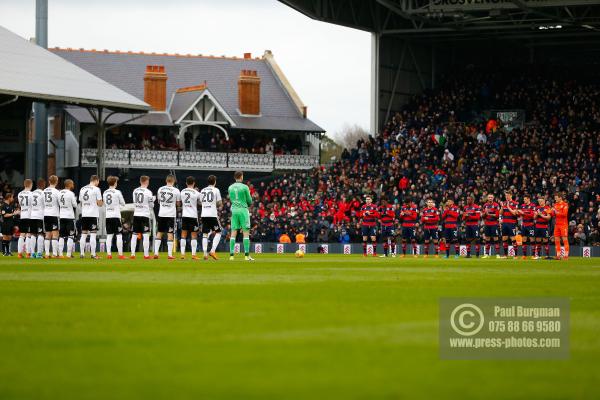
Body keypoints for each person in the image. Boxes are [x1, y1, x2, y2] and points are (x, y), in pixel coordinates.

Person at [228, 171, 254, 261]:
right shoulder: (245, 187)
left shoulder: (230, 187)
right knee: (246, 233)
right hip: (243, 210)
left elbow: (231, 199)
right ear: (241, 177)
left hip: (234, 211)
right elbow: (249, 201)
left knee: (233, 232)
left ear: (235, 177)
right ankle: (246, 256)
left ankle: (231, 256)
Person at [155, 175, 181, 260]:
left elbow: (159, 201)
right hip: (171, 215)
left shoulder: (160, 189)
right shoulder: (176, 190)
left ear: (166, 180)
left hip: (161, 213)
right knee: (170, 233)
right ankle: (169, 255)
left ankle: (156, 253)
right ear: (173, 181)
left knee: (159, 232)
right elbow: (178, 204)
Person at [79, 175, 103, 259]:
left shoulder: (82, 189)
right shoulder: (97, 189)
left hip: (84, 214)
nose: (98, 183)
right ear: (96, 180)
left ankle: (82, 254)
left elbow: (81, 203)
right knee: (93, 234)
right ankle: (93, 254)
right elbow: (100, 204)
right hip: (93, 214)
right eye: (98, 181)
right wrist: (99, 202)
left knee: (83, 234)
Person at [131, 175, 155, 259]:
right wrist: (153, 200)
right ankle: (146, 255)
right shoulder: (148, 192)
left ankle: (133, 254)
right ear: (147, 182)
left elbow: (134, 202)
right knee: (145, 235)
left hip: (136, 214)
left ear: (140, 181)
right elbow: (151, 205)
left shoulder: (135, 191)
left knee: (134, 235)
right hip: (144, 215)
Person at [200, 175, 222, 260]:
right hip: (212, 214)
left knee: (205, 234)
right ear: (215, 181)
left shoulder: (203, 190)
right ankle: (212, 251)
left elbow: (200, 202)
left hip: (204, 214)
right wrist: (213, 204)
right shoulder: (216, 190)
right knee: (218, 232)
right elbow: (219, 203)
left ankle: (205, 254)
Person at [103, 176, 126, 259]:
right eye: (116, 182)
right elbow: (123, 203)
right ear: (115, 183)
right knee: (119, 235)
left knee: (109, 236)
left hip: (108, 216)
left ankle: (109, 254)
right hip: (116, 216)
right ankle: (120, 254)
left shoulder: (105, 192)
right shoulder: (117, 192)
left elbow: (105, 204)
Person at [180, 176, 201, 260]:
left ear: (186, 183)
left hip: (185, 215)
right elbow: (200, 203)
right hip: (193, 216)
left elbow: (180, 202)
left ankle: (182, 254)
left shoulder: (182, 191)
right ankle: (193, 255)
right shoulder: (196, 193)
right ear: (194, 183)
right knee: (193, 235)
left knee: (183, 235)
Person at [58, 180, 77, 258]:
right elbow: (75, 205)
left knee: (61, 236)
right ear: (69, 185)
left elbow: (58, 204)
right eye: (72, 184)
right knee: (70, 236)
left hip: (62, 216)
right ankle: (68, 254)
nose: (73, 185)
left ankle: (61, 254)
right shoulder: (71, 194)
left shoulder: (59, 193)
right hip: (69, 216)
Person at [43, 175, 61, 258]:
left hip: (46, 214)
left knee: (47, 234)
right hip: (54, 214)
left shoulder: (44, 191)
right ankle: (54, 254)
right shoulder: (57, 192)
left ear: (49, 181)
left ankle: (47, 254)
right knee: (55, 234)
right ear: (56, 182)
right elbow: (60, 203)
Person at [500, 191, 520, 258]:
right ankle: (505, 255)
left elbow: (515, 213)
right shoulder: (504, 203)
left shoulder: (515, 203)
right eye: (506, 196)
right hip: (504, 223)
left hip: (512, 223)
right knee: (504, 238)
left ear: (511, 196)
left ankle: (516, 255)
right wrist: (502, 207)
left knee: (513, 238)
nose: (507, 197)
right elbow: (500, 213)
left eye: (508, 195)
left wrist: (508, 207)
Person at [17, 179, 33, 258]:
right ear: (30, 185)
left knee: (21, 235)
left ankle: (19, 253)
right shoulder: (32, 194)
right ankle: (28, 253)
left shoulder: (19, 194)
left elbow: (20, 205)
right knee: (28, 234)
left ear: (24, 184)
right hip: (29, 215)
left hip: (22, 215)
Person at [30, 179, 46, 258]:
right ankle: (39, 254)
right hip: (40, 216)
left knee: (33, 234)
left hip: (32, 215)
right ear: (43, 185)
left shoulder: (32, 193)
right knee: (40, 234)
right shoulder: (43, 193)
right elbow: (45, 205)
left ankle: (32, 254)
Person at [482, 194, 501, 258]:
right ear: (487, 198)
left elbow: (497, 215)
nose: (490, 198)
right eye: (489, 197)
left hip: (494, 224)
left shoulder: (496, 205)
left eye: (491, 197)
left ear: (493, 198)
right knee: (487, 239)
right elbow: (482, 216)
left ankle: (497, 254)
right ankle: (487, 254)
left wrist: (489, 214)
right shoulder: (485, 205)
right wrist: (485, 213)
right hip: (487, 224)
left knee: (496, 238)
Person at [534, 195, 552, 260]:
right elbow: (534, 217)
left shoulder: (547, 208)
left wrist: (540, 215)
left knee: (545, 241)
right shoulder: (537, 208)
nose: (540, 202)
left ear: (544, 201)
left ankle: (547, 256)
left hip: (544, 226)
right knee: (538, 241)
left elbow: (549, 218)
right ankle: (538, 255)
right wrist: (536, 214)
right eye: (539, 201)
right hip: (537, 226)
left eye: (541, 201)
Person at [553, 192, 569, 260]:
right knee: (556, 240)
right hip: (557, 225)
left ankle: (566, 256)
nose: (555, 199)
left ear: (560, 198)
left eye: (556, 198)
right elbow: (553, 215)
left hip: (563, 225)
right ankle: (558, 255)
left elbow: (564, 214)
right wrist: (551, 212)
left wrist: (556, 212)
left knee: (564, 239)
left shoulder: (565, 205)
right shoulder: (555, 204)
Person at [519, 194, 537, 259]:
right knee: (523, 240)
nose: (524, 200)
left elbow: (532, 215)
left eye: (525, 199)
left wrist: (523, 213)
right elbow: (520, 214)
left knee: (532, 239)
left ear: (529, 199)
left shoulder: (533, 206)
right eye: (524, 199)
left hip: (530, 225)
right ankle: (524, 255)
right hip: (524, 225)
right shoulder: (522, 206)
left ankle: (533, 255)